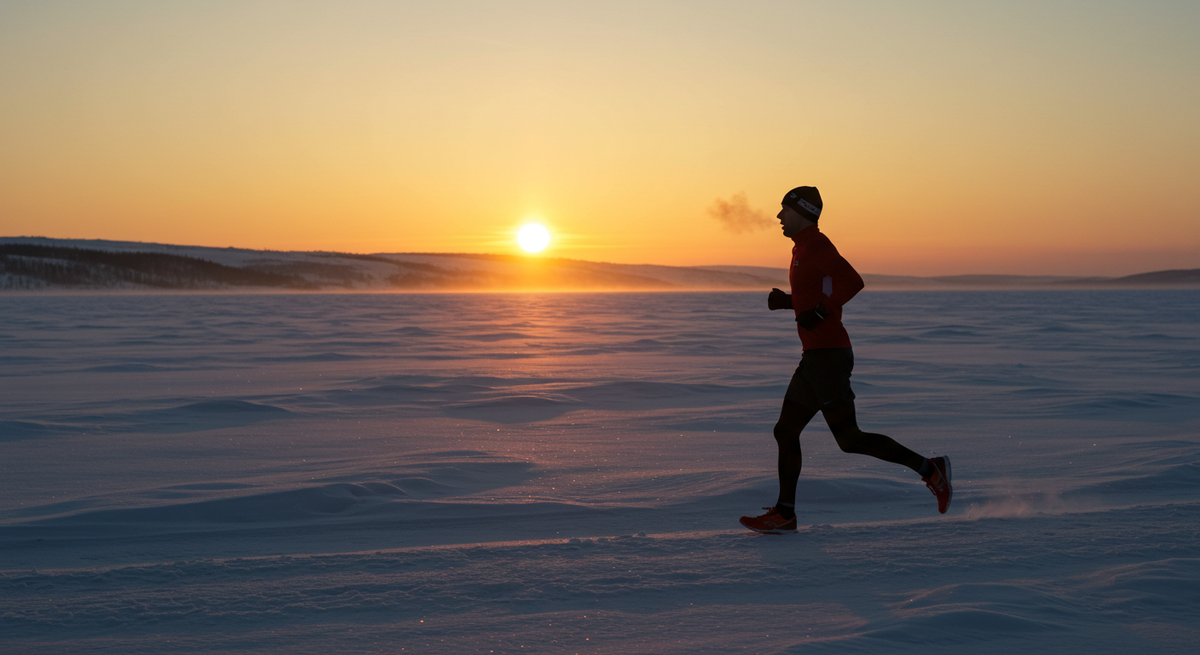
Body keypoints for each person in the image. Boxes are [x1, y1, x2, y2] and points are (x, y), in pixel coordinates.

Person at [739, 186, 952, 533]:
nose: (778, 217)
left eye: (784, 210)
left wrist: (820, 311)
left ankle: (931, 469)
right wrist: (789, 303)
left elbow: (852, 281)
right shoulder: (800, 249)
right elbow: (816, 293)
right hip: (815, 357)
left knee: (849, 439)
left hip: (829, 356)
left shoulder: (816, 245)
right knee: (786, 430)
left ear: (803, 212)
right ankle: (785, 514)